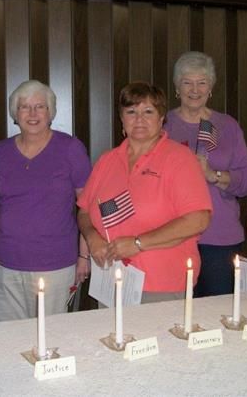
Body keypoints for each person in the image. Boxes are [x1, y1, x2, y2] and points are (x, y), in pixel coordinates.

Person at [77, 81, 212, 303]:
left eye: (148, 111)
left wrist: (138, 243)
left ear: (161, 120)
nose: (139, 119)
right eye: (131, 112)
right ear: (122, 119)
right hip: (111, 279)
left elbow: (199, 219)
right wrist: (92, 238)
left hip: (161, 283)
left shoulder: (179, 158)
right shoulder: (107, 160)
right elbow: (84, 211)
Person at [0, 80, 92, 321]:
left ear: (51, 112)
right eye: (25, 107)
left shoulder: (70, 148)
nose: (33, 113)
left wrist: (84, 256)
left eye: (40, 107)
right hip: (7, 264)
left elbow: (87, 205)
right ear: (15, 113)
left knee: (51, 339)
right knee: (8, 339)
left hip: (55, 264)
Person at [164, 51, 247, 297]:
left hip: (220, 238)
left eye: (201, 82)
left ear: (210, 87)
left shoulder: (227, 126)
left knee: (217, 315)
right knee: (177, 315)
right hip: (174, 237)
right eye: (187, 82)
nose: (194, 89)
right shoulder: (163, 126)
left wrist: (214, 175)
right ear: (177, 86)